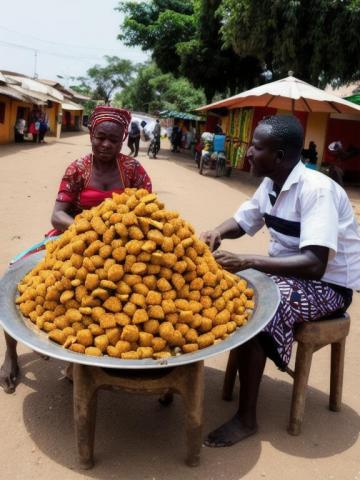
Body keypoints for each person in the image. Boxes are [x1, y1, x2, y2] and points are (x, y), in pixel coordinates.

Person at [200, 115, 360, 447]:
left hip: (329, 286)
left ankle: (247, 419)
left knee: (261, 304)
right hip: (291, 273)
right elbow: (244, 221)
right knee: (227, 287)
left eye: (256, 147)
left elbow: (315, 264)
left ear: (279, 156)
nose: (247, 152)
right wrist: (217, 232)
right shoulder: (271, 183)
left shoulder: (316, 191)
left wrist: (245, 260)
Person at [0, 105, 152, 394]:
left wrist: (115, 239)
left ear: (123, 140)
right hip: (74, 239)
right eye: (100, 137)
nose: (106, 144)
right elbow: (58, 215)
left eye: (114, 139)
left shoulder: (134, 170)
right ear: (91, 135)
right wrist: (89, 232)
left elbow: (148, 213)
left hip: (123, 249)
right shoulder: (78, 168)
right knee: (17, 279)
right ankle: (10, 354)